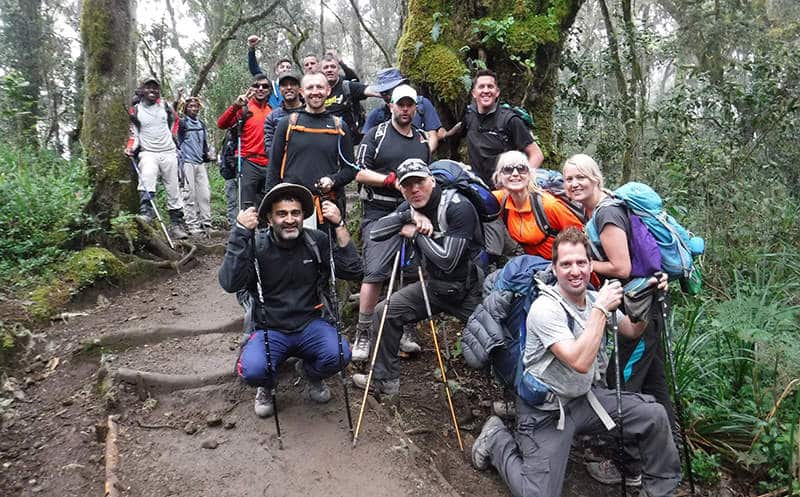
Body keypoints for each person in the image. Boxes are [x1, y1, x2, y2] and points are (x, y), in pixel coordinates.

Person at [470, 228, 681, 497]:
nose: (575, 271)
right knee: (538, 494)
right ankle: (496, 439)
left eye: (581, 263)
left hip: (584, 399)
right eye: (566, 264)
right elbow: (579, 361)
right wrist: (602, 309)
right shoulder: (545, 308)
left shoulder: (593, 298)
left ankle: (661, 492)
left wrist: (646, 297)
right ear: (555, 269)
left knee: (653, 415)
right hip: (545, 412)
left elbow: (631, 330)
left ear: (590, 265)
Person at [562, 153, 676, 486]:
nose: (574, 183)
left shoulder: (607, 212)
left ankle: (631, 467)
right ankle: (664, 460)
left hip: (638, 315)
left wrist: (578, 264)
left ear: (596, 177)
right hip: (641, 309)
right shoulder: (597, 209)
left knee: (622, 385)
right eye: (569, 179)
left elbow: (622, 267)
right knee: (655, 386)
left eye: (581, 177)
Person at [219, 183, 362, 417]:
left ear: (303, 215)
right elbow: (229, 283)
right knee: (253, 369)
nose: (289, 219)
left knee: (339, 354)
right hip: (269, 328)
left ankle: (310, 373)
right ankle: (266, 384)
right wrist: (239, 233)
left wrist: (339, 224)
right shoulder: (257, 245)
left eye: (295, 213)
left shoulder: (316, 242)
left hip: (311, 325)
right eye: (282, 214)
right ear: (269, 218)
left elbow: (354, 270)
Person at [351, 159, 484, 395]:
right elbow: (377, 233)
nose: (414, 190)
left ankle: (513, 398)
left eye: (419, 182)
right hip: (433, 288)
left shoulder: (457, 207)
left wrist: (416, 235)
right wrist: (407, 217)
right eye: (407, 185)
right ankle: (384, 382)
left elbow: (447, 260)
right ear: (400, 189)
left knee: (494, 336)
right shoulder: (411, 207)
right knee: (385, 312)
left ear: (431, 180)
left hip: (467, 289)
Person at [351, 86, 432, 362]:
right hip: (379, 212)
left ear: (415, 108)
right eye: (401, 104)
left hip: (414, 212)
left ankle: (407, 329)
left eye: (410, 105)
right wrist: (387, 179)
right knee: (374, 272)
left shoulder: (421, 140)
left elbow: (427, 179)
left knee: (414, 272)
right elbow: (358, 172)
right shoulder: (377, 134)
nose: (405, 109)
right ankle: (363, 332)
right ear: (391, 106)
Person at [267, 71, 356, 230]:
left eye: (320, 87)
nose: (315, 92)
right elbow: (273, 169)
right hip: (291, 207)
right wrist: (271, 207)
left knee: (325, 253)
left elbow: (350, 169)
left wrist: (332, 180)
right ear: (302, 92)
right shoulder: (287, 124)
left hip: (326, 205)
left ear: (328, 90)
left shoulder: (339, 127)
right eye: (310, 88)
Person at [446, 69, 544, 187]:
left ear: (497, 92)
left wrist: (521, 182)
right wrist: (443, 135)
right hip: (479, 188)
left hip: (504, 189)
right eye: (481, 87)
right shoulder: (469, 116)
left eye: (490, 87)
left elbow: (537, 154)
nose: (486, 91)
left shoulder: (510, 120)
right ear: (474, 93)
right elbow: (459, 128)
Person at [124, 76, 188, 240]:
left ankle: (176, 224)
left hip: (168, 152)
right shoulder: (135, 110)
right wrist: (131, 147)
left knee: (173, 187)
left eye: (155, 87)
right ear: (142, 90)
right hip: (148, 151)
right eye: (148, 87)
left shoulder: (165, 106)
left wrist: (173, 136)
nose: (152, 90)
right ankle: (147, 213)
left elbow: (176, 122)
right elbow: (134, 132)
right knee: (147, 176)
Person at [492, 150, 584, 259]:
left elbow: (581, 239)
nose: (515, 174)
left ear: (530, 174)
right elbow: (477, 195)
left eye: (521, 169)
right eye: (508, 169)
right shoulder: (501, 200)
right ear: (499, 176)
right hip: (529, 263)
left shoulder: (548, 205)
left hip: (561, 264)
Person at [216, 74, 273, 211]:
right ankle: (245, 232)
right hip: (248, 163)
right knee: (247, 205)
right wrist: (236, 106)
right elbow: (221, 124)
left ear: (269, 90)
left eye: (264, 86)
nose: (260, 89)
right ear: (251, 89)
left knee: (266, 205)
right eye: (256, 86)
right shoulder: (243, 109)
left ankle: (263, 232)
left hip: (268, 164)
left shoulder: (272, 111)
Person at [363, 67, 445, 152]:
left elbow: (432, 137)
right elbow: (366, 145)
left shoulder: (422, 104)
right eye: (383, 92)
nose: (387, 96)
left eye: (390, 90)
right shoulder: (377, 115)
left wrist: (422, 157)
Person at [176, 96, 215, 236]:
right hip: (186, 163)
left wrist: (208, 155)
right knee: (189, 194)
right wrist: (177, 100)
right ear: (185, 108)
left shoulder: (201, 124)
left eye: (196, 106)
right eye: (190, 106)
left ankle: (207, 224)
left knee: (205, 194)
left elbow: (204, 145)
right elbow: (173, 123)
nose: (193, 108)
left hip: (200, 163)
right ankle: (192, 225)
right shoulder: (182, 123)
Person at [320, 54, 379, 143]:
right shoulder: (316, 90)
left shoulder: (347, 86)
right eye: (326, 67)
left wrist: (392, 91)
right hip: (325, 141)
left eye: (333, 67)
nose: (329, 70)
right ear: (321, 71)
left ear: (338, 69)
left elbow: (370, 90)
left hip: (349, 141)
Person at [246, 35, 294, 109]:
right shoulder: (270, 86)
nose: (285, 69)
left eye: (288, 67)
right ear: (276, 71)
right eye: (282, 67)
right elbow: (255, 71)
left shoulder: (297, 89)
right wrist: (251, 49)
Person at [263, 71, 304, 156]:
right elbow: (270, 148)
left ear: (300, 89)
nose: (288, 87)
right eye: (284, 85)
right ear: (279, 89)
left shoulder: (310, 112)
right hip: (283, 165)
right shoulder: (273, 117)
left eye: (292, 84)